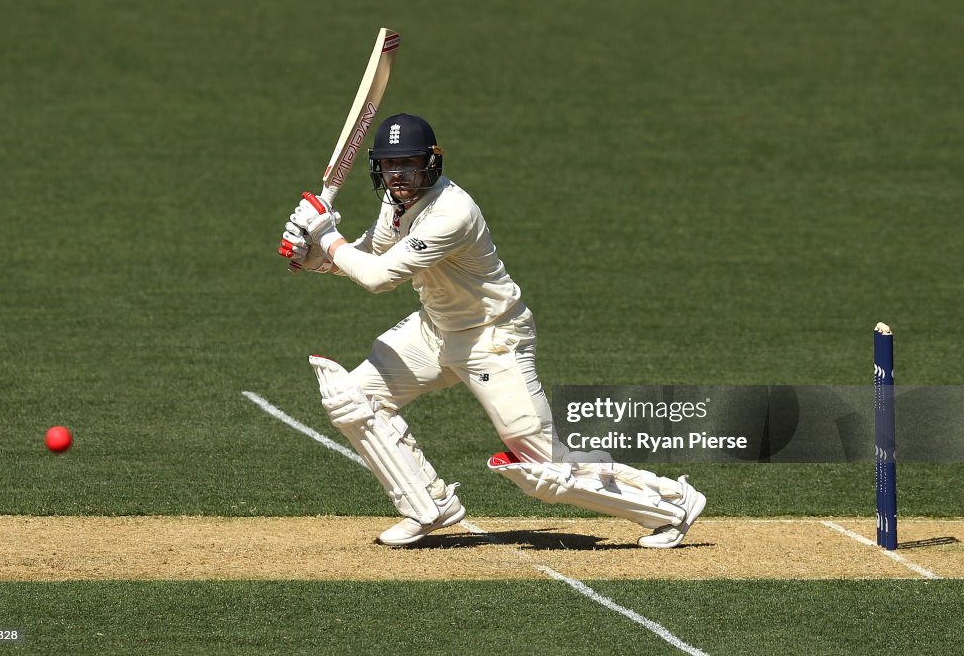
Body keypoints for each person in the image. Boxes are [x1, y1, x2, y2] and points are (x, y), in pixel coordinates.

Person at [279, 113, 706, 547]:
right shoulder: (397, 202)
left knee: (541, 470)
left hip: (492, 339)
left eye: (409, 163)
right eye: (391, 165)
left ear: (431, 162)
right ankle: (427, 505)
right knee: (352, 397)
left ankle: (671, 503)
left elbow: (377, 278)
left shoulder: (452, 212)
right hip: (435, 330)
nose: (400, 175)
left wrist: (326, 235)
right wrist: (314, 253)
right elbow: (365, 257)